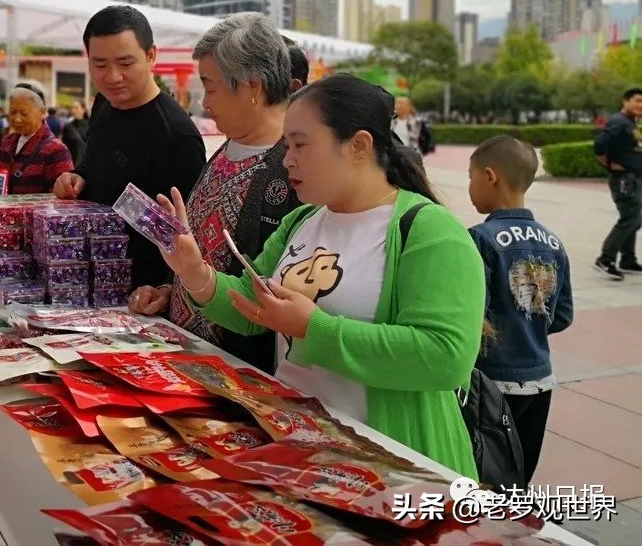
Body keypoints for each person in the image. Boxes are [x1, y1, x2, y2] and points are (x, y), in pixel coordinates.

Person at [154, 73, 484, 478]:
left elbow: (445, 357)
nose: (287, 158)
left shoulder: (428, 231)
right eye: (287, 145)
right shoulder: (302, 220)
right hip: (302, 451)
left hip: (391, 466)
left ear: (358, 145)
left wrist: (314, 328)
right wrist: (194, 271)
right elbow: (249, 306)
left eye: (300, 144)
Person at [127, 13, 302, 372]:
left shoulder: (296, 170)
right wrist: (171, 292)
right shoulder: (230, 146)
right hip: (191, 360)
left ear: (252, 87)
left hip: (241, 372)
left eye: (211, 87)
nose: (205, 103)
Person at [53, 5, 206, 289]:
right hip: (85, 276)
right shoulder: (103, 104)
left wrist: (165, 289)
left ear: (151, 56)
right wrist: (78, 177)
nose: (112, 77)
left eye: (125, 64)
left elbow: (192, 232)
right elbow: (95, 165)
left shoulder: (176, 135)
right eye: (100, 65)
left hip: (139, 293)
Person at [468, 135, 573, 485]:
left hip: (491, 384)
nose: (470, 186)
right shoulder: (554, 241)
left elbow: (472, 314)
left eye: (471, 177)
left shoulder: (480, 239)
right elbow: (562, 316)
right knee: (519, 474)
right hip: (541, 380)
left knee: (485, 474)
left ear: (489, 175)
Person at [0, 83, 74, 196]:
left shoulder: (56, 150)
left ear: (43, 112)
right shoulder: (7, 142)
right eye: (12, 112)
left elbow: (64, 197)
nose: (17, 119)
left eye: (24, 113)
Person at [594, 87, 642, 279]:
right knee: (630, 218)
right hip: (624, 180)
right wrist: (611, 166)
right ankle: (606, 259)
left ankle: (628, 260)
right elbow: (599, 146)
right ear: (625, 102)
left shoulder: (631, 123)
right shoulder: (618, 122)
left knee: (634, 218)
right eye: (637, 101)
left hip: (634, 179)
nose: (640, 105)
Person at [61, 100, 91, 168]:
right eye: (72, 108)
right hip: (73, 163)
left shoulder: (91, 125)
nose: (73, 110)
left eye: (76, 107)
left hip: (88, 164)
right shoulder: (68, 126)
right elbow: (65, 146)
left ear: (83, 110)